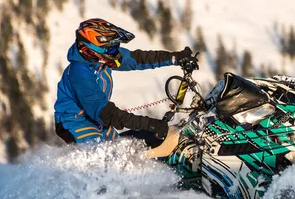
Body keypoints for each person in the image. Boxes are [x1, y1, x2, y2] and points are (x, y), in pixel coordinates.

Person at [54, 18, 195, 146]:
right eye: (112, 48)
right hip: (74, 123)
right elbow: (106, 112)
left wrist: (175, 58)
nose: (116, 52)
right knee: (106, 158)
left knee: (129, 149)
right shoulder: (80, 73)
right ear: (91, 51)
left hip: (97, 121)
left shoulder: (103, 60)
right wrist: (149, 124)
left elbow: (138, 59)